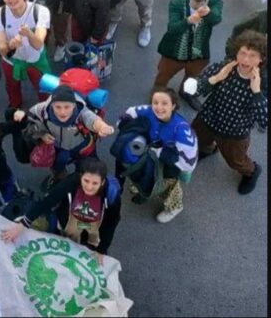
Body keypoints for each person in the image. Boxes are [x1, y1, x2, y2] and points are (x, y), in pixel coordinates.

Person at [193, 31, 267, 195]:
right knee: (197, 141)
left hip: (234, 132)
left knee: (236, 162)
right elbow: (194, 90)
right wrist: (217, 78)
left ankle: (252, 171)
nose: (245, 60)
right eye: (243, 53)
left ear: (261, 59)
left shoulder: (264, 83)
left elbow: (264, 122)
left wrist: (256, 93)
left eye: (252, 55)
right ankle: (208, 149)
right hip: (207, 119)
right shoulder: (223, 67)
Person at [0, 158, 121, 257]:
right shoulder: (72, 182)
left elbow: (111, 224)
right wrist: (23, 223)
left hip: (91, 234)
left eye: (95, 183)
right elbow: (49, 200)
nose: (89, 187)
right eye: (86, 181)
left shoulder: (111, 195)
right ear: (80, 176)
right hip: (67, 225)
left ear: (103, 182)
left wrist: (101, 250)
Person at [113, 87, 198, 223]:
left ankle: (174, 207)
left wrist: (163, 154)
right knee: (141, 174)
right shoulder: (146, 111)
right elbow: (126, 117)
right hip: (148, 155)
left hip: (169, 164)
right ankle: (143, 188)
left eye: (164, 103)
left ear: (173, 105)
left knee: (167, 187)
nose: (158, 107)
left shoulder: (181, 129)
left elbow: (188, 160)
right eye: (155, 102)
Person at [17, 85, 115, 180]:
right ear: (51, 105)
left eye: (67, 107)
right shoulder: (42, 110)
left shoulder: (81, 111)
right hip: (58, 148)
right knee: (58, 167)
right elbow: (31, 122)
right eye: (58, 107)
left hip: (81, 147)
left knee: (86, 169)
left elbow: (92, 119)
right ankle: (61, 180)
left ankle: (79, 181)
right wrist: (42, 134)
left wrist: (102, 126)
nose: (62, 112)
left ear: (74, 105)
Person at [154, 0, 223, 110]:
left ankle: (185, 92)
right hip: (173, 52)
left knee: (192, 76)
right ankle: (158, 94)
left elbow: (216, 19)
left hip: (199, 54)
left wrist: (208, 13)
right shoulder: (177, 2)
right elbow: (172, 28)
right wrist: (189, 21)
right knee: (163, 75)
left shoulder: (214, 2)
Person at [0, 0, 51, 109]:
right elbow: (2, 50)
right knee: (12, 86)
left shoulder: (40, 11)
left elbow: (38, 44)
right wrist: (10, 45)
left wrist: (29, 33)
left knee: (43, 86)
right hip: (12, 60)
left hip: (35, 59)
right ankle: (15, 105)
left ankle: (45, 107)